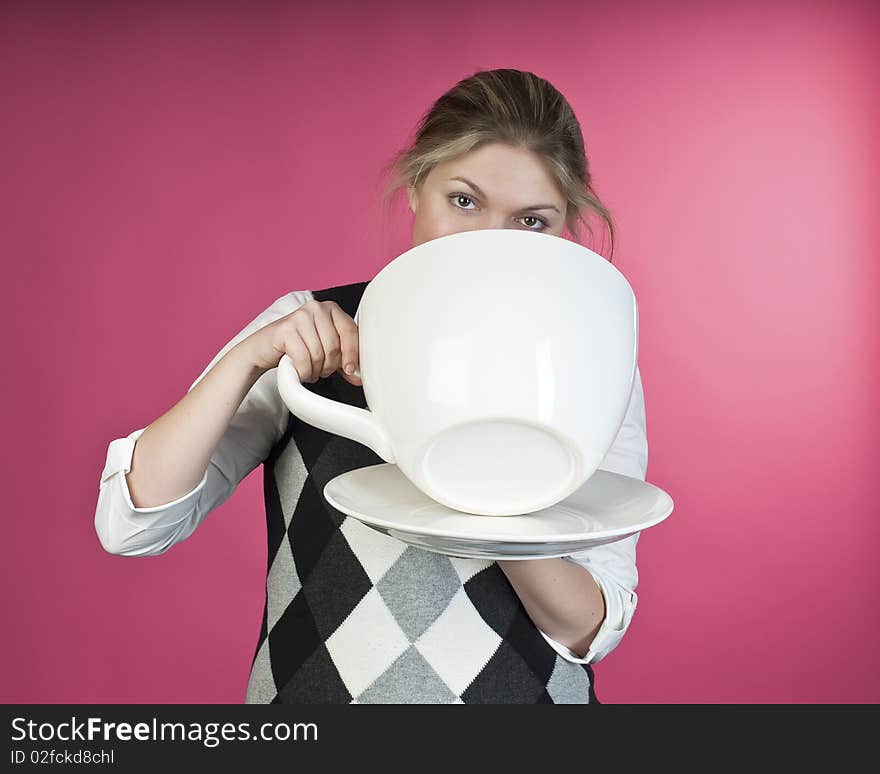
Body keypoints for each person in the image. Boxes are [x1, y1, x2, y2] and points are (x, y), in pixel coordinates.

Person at [94, 68, 648, 704]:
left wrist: (485, 502)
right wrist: (248, 359)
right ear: (416, 188)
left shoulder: (592, 361)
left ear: (565, 227)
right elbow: (131, 524)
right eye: (463, 202)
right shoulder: (308, 329)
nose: (488, 245)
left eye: (531, 221)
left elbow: (591, 627)